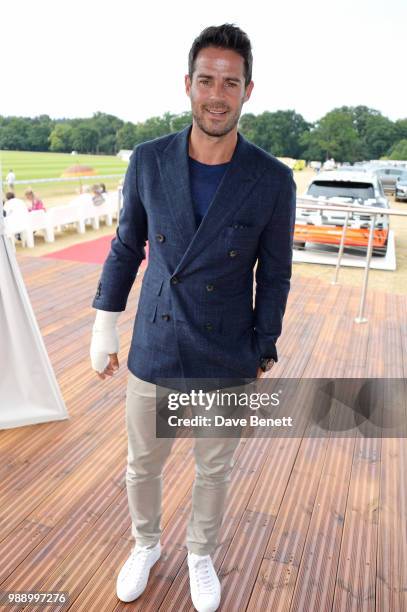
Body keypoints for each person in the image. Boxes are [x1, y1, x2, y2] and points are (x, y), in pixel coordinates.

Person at [90, 23, 296, 612]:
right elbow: (128, 246)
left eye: (230, 82)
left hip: (225, 349)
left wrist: (263, 347)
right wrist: (106, 322)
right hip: (155, 340)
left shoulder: (272, 179)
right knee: (142, 465)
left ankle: (200, 555)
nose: (216, 92)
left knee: (213, 468)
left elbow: (275, 274)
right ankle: (146, 544)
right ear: (188, 84)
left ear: (248, 91)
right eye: (206, 79)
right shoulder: (150, 160)